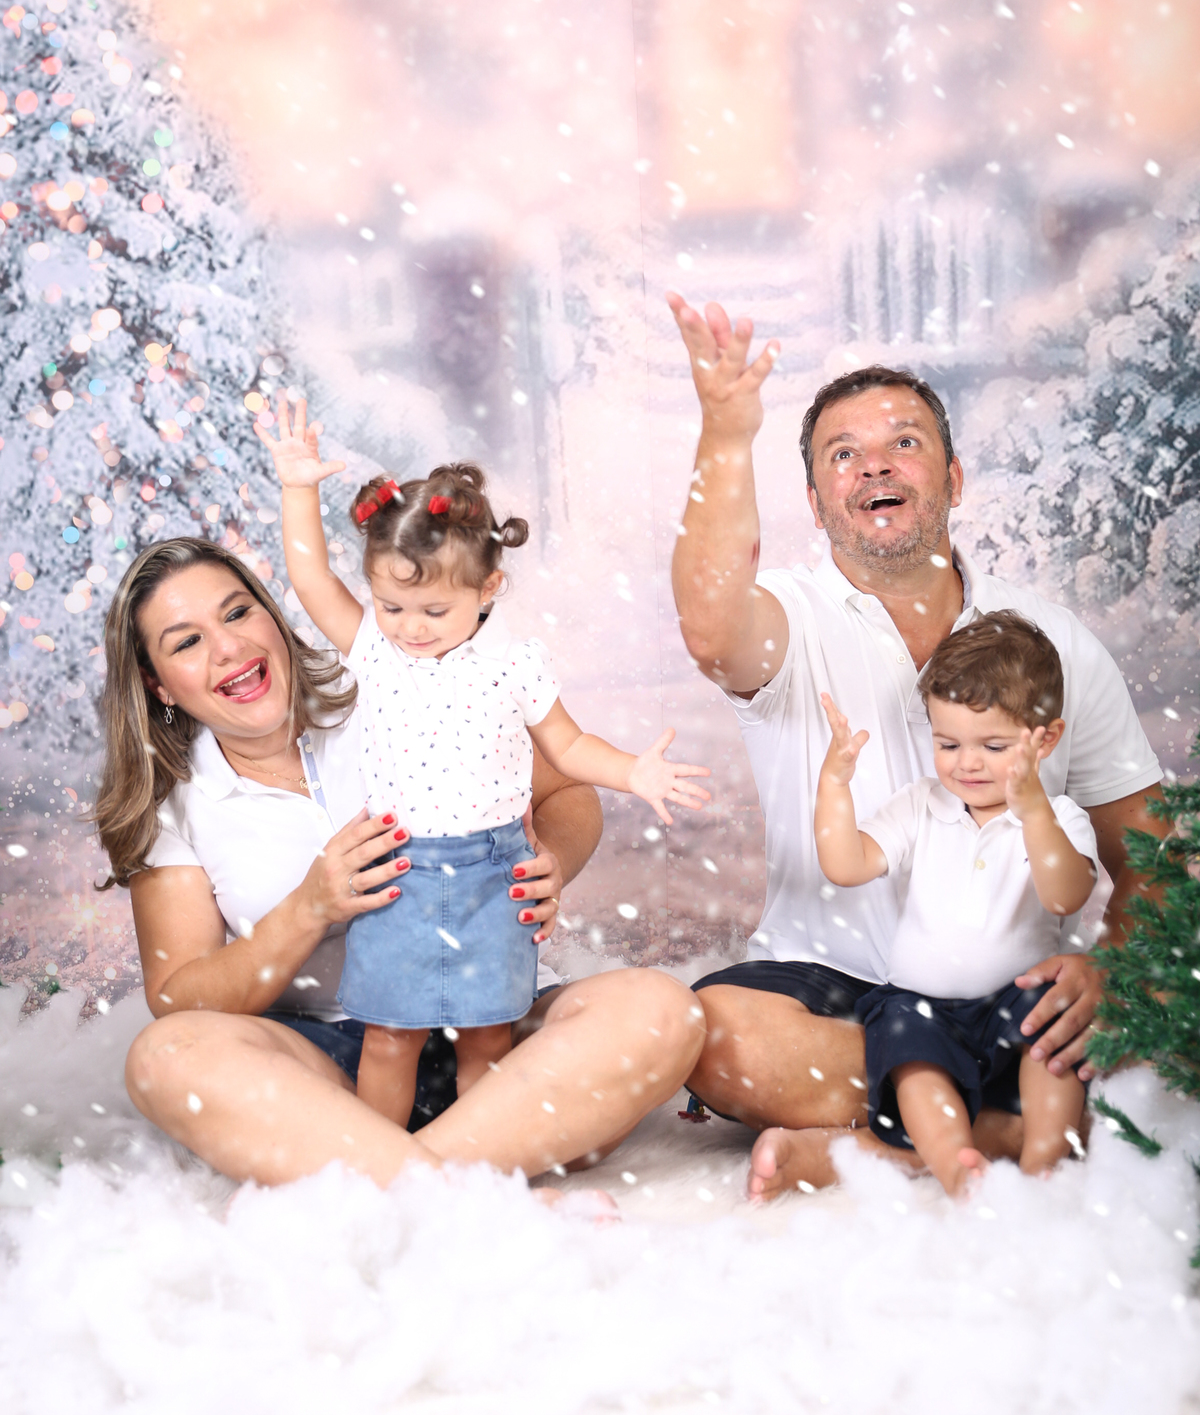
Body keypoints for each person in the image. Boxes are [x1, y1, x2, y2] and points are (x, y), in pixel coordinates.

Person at [667, 292, 1166, 1199]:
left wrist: (1110, 969)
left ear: (955, 478)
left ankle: (882, 1146)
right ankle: (1007, 1130)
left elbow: (1152, 851)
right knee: (712, 1035)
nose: (873, 466)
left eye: (903, 442)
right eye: (842, 454)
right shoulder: (787, 618)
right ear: (816, 504)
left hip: (1012, 986)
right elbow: (709, 626)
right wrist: (727, 436)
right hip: (828, 986)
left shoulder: (1053, 639)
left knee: (1166, 994)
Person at [100, 535, 707, 1192]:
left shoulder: (390, 683)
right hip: (331, 1065)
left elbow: (567, 791)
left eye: (238, 612)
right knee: (166, 1058)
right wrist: (308, 909)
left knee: (661, 1011)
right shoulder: (175, 804)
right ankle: (473, 1174)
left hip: (500, 1024)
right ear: (158, 684)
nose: (227, 646)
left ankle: (390, 1178)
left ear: (272, 617)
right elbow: (183, 996)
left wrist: (549, 858)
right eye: (187, 642)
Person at [257, 398, 709, 1128]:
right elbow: (311, 580)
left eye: (433, 611)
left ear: (487, 588)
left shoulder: (514, 664)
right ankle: (382, 1167)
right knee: (389, 1038)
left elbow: (568, 748)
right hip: (397, 875)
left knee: (489, 1040)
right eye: (392, 606)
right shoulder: (374, 649)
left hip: (493, 875)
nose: (410, 627)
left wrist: (634, 772)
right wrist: (297, 489)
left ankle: (477, 1160)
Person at [816, 614, 1096, 1197]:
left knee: (1052, 1026)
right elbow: (845, 865)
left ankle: (1045, 1158)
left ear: (1045, 739)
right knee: (909, 1053)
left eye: (993, 747)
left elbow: (1065, 894)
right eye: (947, 744)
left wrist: (1034, 812)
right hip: (922, 1005)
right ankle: (955, 1165)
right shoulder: (920, 806)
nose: (966, 763)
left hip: (1015, 1002)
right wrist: (835, 786)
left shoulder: (1059, 818)